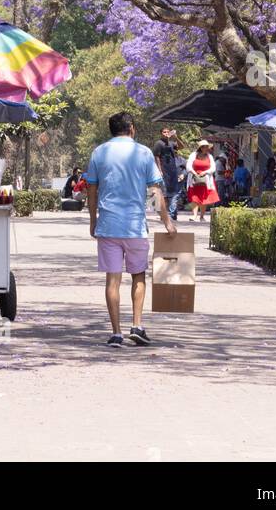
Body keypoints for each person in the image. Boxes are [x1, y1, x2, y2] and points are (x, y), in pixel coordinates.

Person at [85, 111, 176, 349]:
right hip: (135, 227)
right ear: (132, 128)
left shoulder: (99, 152)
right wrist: (166, 221)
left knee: (112, 280)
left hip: (108, 226)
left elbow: (91, 191)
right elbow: (154, 191)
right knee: (138, 276)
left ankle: (116, 333)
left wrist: (93, 221)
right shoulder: (144, 153)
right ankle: (137, 326)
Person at [186, 139, 220, 221]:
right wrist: (194, 172)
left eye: (207, 147)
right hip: (194, 179)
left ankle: (202, 216)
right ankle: (194, 215)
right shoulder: (193, 155)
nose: (207, 148)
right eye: (205, 147)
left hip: (206, 179)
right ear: (201, 148)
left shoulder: (210, 156)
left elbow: (213, 168)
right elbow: (188, 165)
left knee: (204, 197)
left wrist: (205, 172)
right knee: (194, 197)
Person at [153, 127, 182, 221]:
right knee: (164, 193)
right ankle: (164, 215)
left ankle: (172, 214)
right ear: (161, 133)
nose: (166, 133)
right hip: (164, 171)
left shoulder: (172, 143)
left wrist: (176, 137)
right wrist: (159, 170)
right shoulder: (159, 143)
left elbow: (182, 147)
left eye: (167, 132)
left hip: (172, 171)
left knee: (173, 193)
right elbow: (156, 157)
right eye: (164, 132)